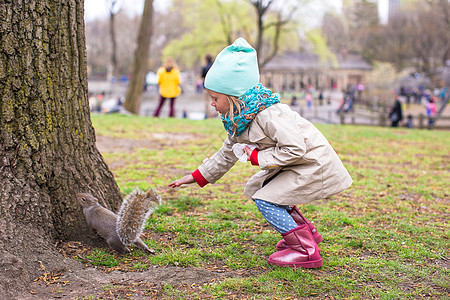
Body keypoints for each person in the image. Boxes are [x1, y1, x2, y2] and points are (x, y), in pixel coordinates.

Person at [168, 38, 352, 269]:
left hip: (312, 164)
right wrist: (197, 176)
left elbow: (295, 148)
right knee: (262, 190)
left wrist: (257, 158)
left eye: (215, 98)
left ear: (234, 97)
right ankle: (306, 236)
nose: (212, 104)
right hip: (294, 164)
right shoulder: (239, 119)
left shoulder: (269, 114)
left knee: (265, 199)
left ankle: (305, 250)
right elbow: (227, 153)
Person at [201, 54, 215, 118]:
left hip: (206, 87)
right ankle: (216, 114)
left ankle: (208, 115)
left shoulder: (205, 67)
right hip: (214, 87)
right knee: (215, 101)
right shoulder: (214, 66)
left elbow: (202, 77)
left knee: (207, 102)